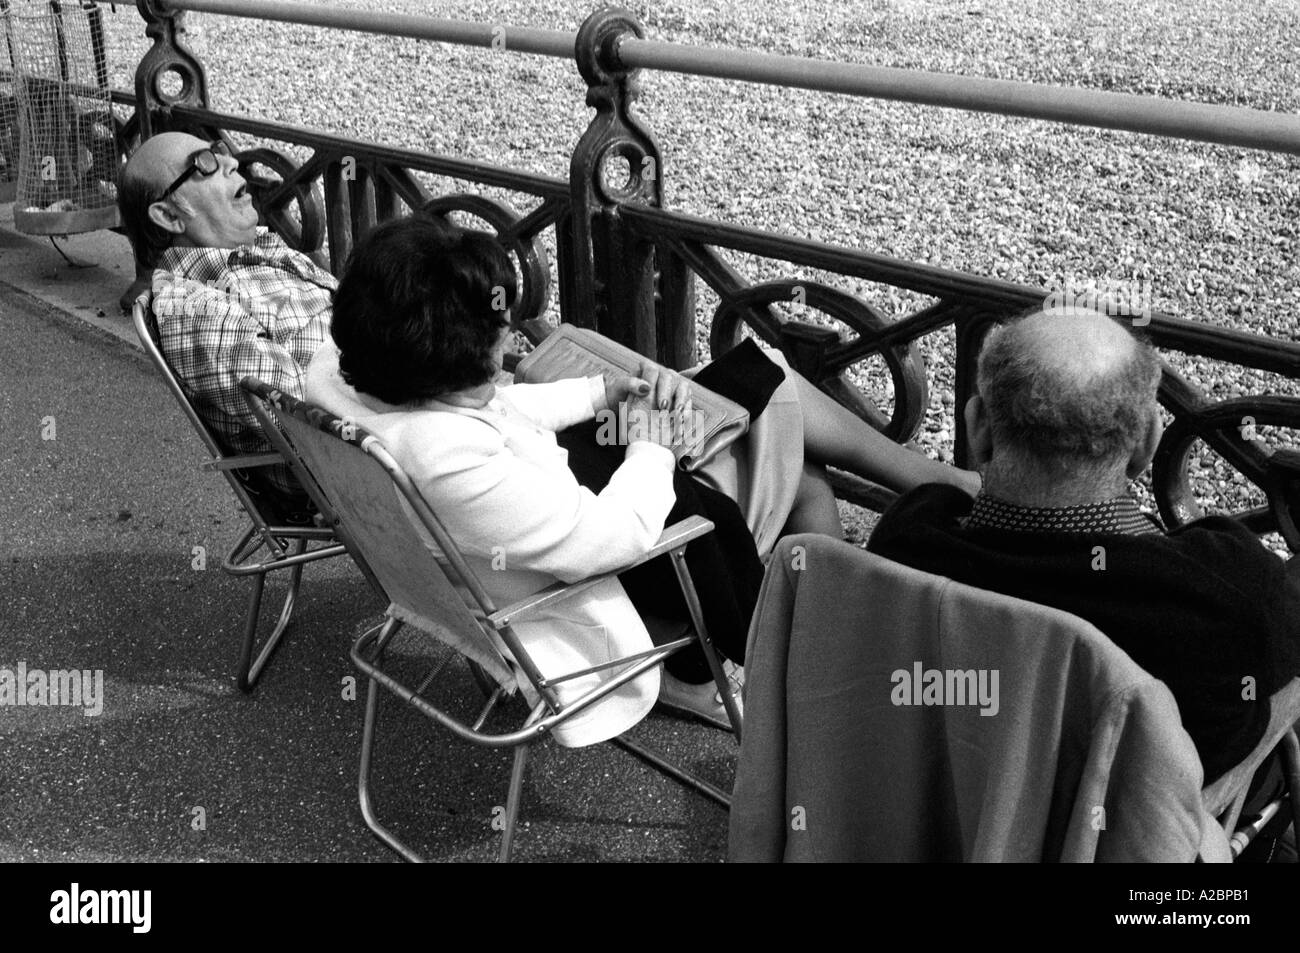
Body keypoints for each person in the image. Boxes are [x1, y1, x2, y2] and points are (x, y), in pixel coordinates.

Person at [306, 213, 980, 745]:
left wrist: (605, 392)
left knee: (760, 395)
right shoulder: (447, 459)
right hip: (611, 577)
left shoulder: (366, 390)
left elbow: (497, 408)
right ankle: (827, 669)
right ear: (444, 363)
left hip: (545, 517)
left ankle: (844, 618)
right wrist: (653, 446)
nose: (510, 345)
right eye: (497, 342)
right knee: (801, 463)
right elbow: (614, 535)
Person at [868, 305, 1300, 836]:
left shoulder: (909, 541)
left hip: (948, 818)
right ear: (1147, 443)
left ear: (978, 426)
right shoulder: (1222, 592)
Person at [117, 131, 336, 501]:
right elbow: (316, 429)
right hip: (376, 474)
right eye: (204, 164)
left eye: (220, 152)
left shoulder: (254, 251)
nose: (232, 162)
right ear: (170, 215)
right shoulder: (195, 309)